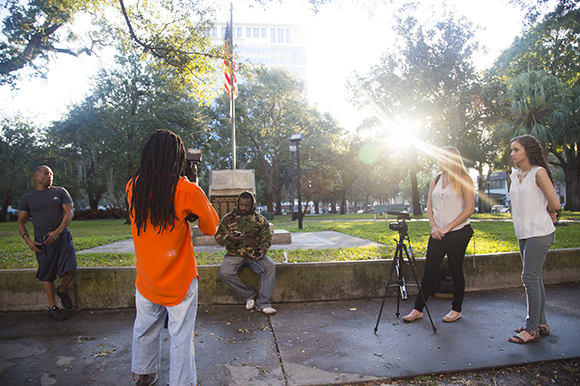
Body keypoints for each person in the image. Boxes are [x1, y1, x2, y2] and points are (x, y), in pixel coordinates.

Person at [127, 130, 219, 386]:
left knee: (144, 326)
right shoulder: (187, 190)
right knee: (180, 335)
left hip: (146, 277)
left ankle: (143, 373)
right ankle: (181, 382)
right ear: (178, 157)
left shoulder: (133, 186)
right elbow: (212, 226)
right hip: (179, 279)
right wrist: (193, 183)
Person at [403, 146, 474, 323]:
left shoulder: (464, 178)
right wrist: (434, 226)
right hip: (438, 233)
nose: (438, 161)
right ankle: (417, 309)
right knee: (429, 271)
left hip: (458, 232)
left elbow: (469, 209)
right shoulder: (436, 179)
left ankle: (456, 310)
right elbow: (429, 206)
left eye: (441, 158)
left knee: (455, 269)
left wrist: (447, 228)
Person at [507, 134, 560, 344]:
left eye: (516, 150)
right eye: (512, 150)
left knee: (529, 278)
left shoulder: (539, 173)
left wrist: (546, 210)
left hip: (539, 232)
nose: (512, 154)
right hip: (523, 233)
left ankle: (531, 329)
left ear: (528, 151)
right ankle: (541, 324)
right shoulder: (515, 175)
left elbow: (554, 203)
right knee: (535, 278)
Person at [17, 165, 77, 321]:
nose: (49, 176)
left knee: (71, 269)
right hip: (42, 241)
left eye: (51, 174)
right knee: (47, 275)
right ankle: (53, 307)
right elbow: (21, 221)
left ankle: (62, 291)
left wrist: (57, 232)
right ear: (35, 177)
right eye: (45, 174)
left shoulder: (60, 192)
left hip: (62, 236)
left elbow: (69, 212)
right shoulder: (28, 198)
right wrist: (28, 240)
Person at [215, 191, 276, 315]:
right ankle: (249, 296)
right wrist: (229, 239)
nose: (243, 208)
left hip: (254, 254)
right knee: (225, 272)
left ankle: (263, 303)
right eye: (241, 205)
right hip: (235, 254)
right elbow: (218, 237)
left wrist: (262, 250)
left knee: (270, 266)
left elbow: (267, 238)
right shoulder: (228, 219)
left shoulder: (260, 220)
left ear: (252, 205)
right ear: (238, 203)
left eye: (246, 205)